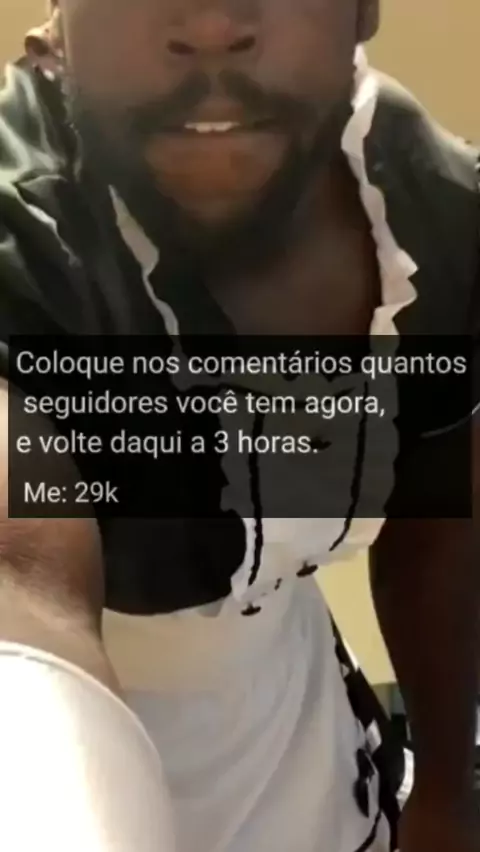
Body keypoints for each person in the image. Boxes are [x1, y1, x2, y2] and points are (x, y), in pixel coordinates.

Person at [0, 1, 479, 851]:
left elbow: (434, 518)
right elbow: (19, 593)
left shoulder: (421, 201)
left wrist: (447, 791)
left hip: (317, 772)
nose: (213, 22)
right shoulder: (22, 241)